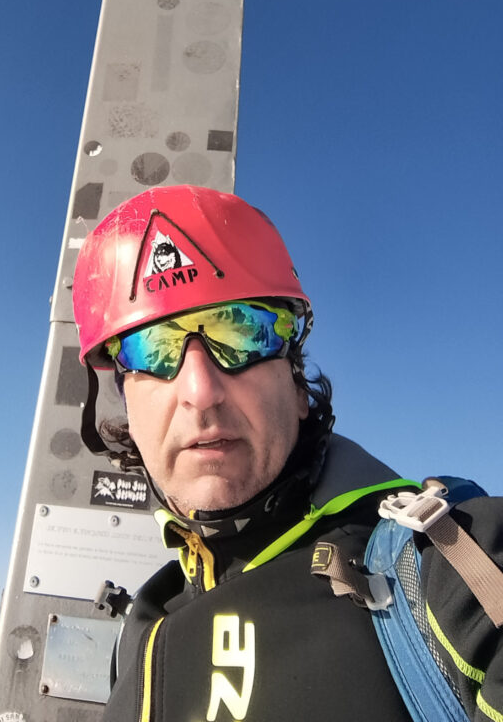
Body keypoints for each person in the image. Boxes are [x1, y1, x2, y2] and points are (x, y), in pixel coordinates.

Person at [72, 184, 503, 722]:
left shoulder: (453, 568)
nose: (199, 391)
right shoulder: (143, 626)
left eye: (243, 332)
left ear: (297, 384)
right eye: (152, 349)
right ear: (125, 404)